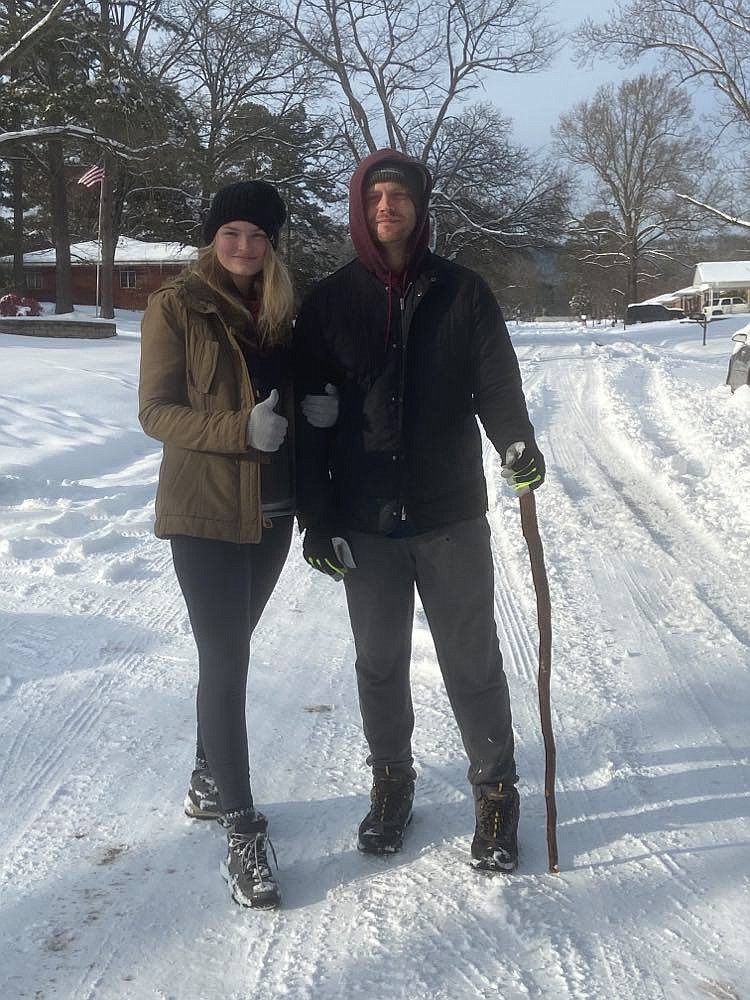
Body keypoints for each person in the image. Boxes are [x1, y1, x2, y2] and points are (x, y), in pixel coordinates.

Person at [294, 150, 545, 874]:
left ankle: (496, 790)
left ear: (419, 206)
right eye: (374, 198)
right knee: (379, 662)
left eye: (399, 196)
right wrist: (317, 516)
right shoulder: (329, 303)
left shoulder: (463, 293)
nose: (387, 208)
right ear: (359, 209)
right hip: (364, 519)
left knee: (472, 658)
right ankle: (392, 781)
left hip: (449, 512)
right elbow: (310, 424)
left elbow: (496, 383)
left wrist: (516, 441)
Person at [139, 180, 337, 908]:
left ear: (273, 242)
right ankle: (243, 829)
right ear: (211, 238)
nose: (245, 247)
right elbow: (155, 412)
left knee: (232, 650)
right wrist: (236, 431)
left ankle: (205, 775)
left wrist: (327, 411)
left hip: (276, 512)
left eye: (258, 235)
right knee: (226, 661)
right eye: (231, 233)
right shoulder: (176, 305)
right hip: (206, 512)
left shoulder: (287, 310)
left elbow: (306, 389)